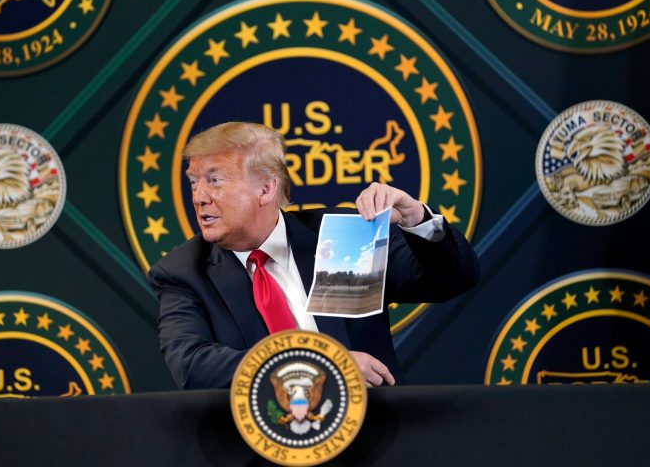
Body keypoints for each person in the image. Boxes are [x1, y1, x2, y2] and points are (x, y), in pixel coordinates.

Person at [149, 121, 479, 389]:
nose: (199, 197)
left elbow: (453, 280)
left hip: (372, 436)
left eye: (215, 180)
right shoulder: (183, 271)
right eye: (194, 182)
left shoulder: (342, 238)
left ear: (266, 189)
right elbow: (192, 365)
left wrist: (417, 219)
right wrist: (319, 362)